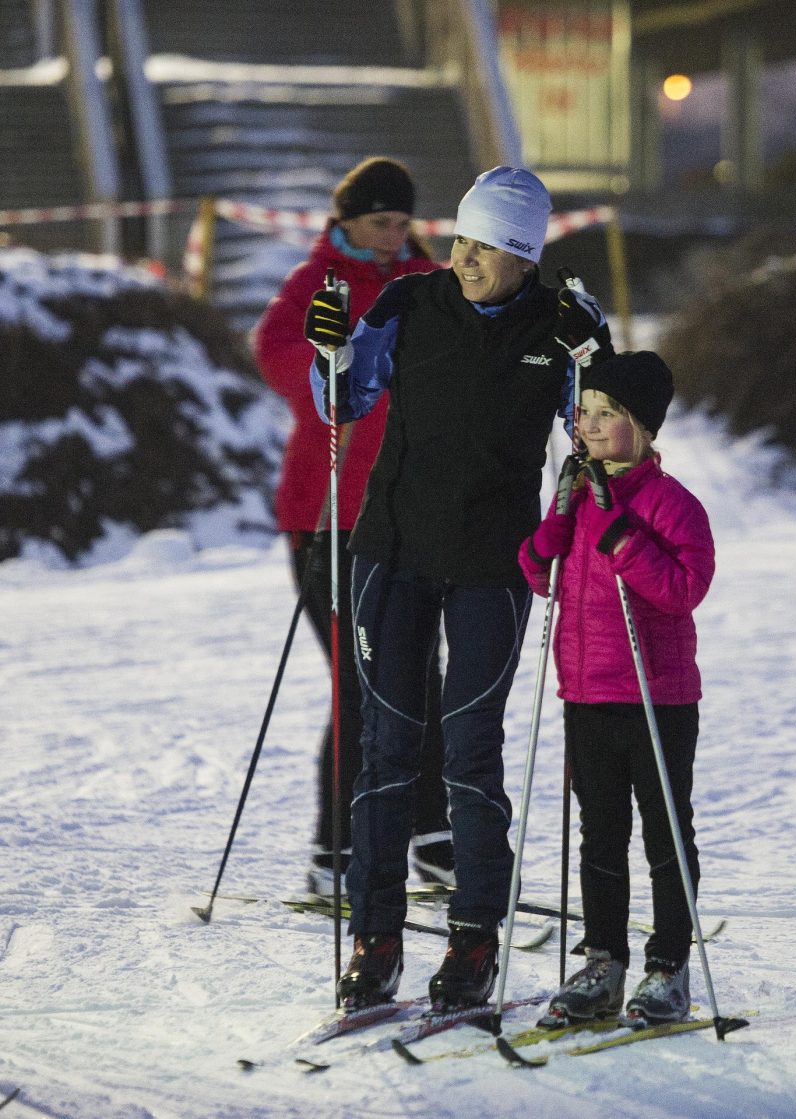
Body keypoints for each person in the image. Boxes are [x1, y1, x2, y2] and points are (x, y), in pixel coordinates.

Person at [304, 166, 615, 1010]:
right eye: (462, 240)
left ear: (525, 256)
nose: (466, 258)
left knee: (472, 752)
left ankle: (474, 939)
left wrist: (599, 368)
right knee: (386, 746)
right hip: (392, 550)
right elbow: (346, 397)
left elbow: (603, 437)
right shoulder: (408, 304)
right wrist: (329, 345)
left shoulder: (561, 326)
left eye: (487, 247)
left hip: (494, 563)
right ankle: (375, 938)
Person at [253, 157, 454, 898]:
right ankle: (332, 855)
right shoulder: (320, 282)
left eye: (402, 223)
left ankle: (433, 840)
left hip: (410, 510)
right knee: (361, 683)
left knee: (421, 678)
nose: (391, 236)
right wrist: (327, 358)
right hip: (327, 515)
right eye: (379, 222)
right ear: (347, 219)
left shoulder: (426, 283)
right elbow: (275, 354)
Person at [517, 351, 715, 1024]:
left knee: (664, 831)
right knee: (599, 835)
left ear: (645, 427)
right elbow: (543, 575)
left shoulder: (672, 503)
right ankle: (603, 958)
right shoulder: (574, 489)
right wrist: (555, 527)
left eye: (609, 415)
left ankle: (668, 963)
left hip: (656, 696)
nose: (591, 426)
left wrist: (620, 533)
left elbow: (684, 589)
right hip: (586, 693)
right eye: (585, 412)